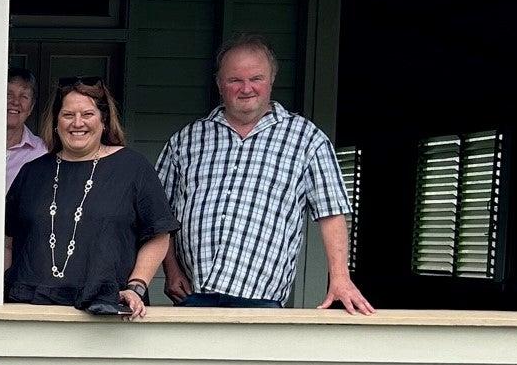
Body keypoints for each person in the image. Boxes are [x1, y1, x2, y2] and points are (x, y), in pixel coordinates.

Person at [156, 34, 373, 313]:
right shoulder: (186, 140)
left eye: (256, 78)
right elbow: (160, 216)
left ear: (271, 81)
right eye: (235, 80)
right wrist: (171, 270)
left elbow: (331, 213)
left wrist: (340, 278)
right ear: (220, 84)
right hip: (193, 294)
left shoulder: (306, 138)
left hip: (262, 300)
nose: (246, 88)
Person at [5, 79, 176, 318]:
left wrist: (136, 286)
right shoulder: (32, 172)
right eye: (68, 115)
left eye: (87, 114)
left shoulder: (133, 168)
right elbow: (7, 241)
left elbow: (159, 235)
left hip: (105, 310)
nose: (77, 123)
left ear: (104, 120)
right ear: (56, 122)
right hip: (30, 309)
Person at [1, 70, 48, 191]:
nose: (15, 102)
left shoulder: (43, 153)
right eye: (8, 94)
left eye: (24, 97)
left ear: (31, 107)